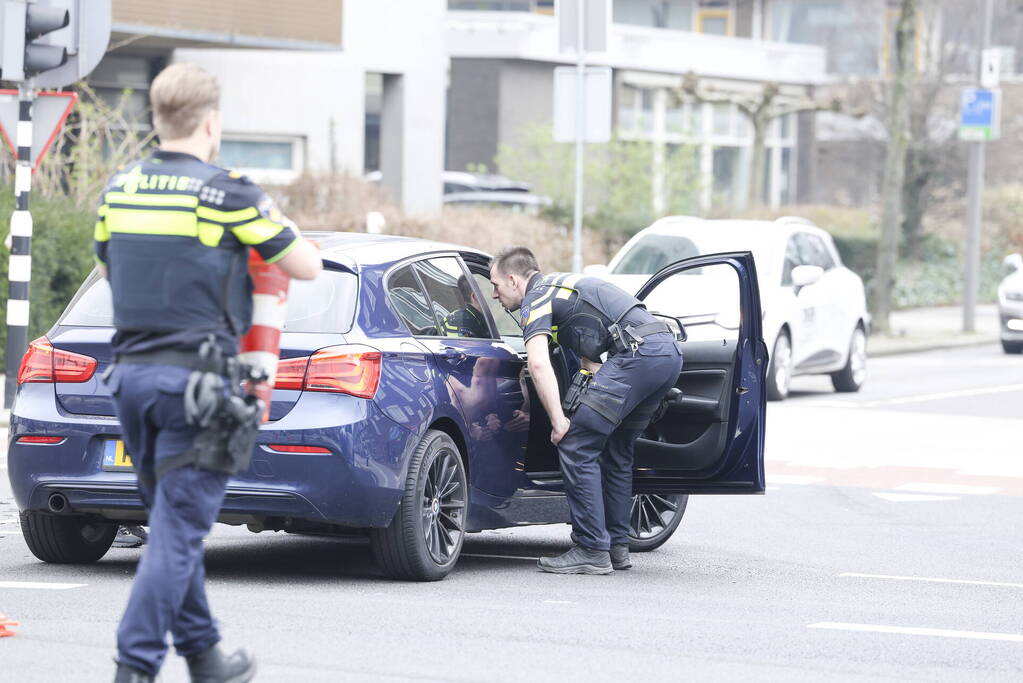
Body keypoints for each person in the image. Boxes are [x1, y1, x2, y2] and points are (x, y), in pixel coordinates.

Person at [95, 63, 322, 683]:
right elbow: (303, 265)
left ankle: (206, 658)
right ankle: (134, 668)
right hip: (197, 389)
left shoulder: (120, 189)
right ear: (212, 123)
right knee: (176, 537)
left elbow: (115, 275)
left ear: (156, 119)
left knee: (173, 522)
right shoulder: (230, 193)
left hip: (131, 385)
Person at [489, 246, 682, 575]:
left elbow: (536, 362)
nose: (494, 294)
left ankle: (591, 547)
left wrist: (559, 421)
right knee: (616, 450)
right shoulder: (564, 287)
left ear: (513, 280)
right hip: (666, 353)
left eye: (495, 285)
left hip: (637, 356)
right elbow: (590, 362)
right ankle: (617, 547)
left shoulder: (537, 298)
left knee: (576, 445)